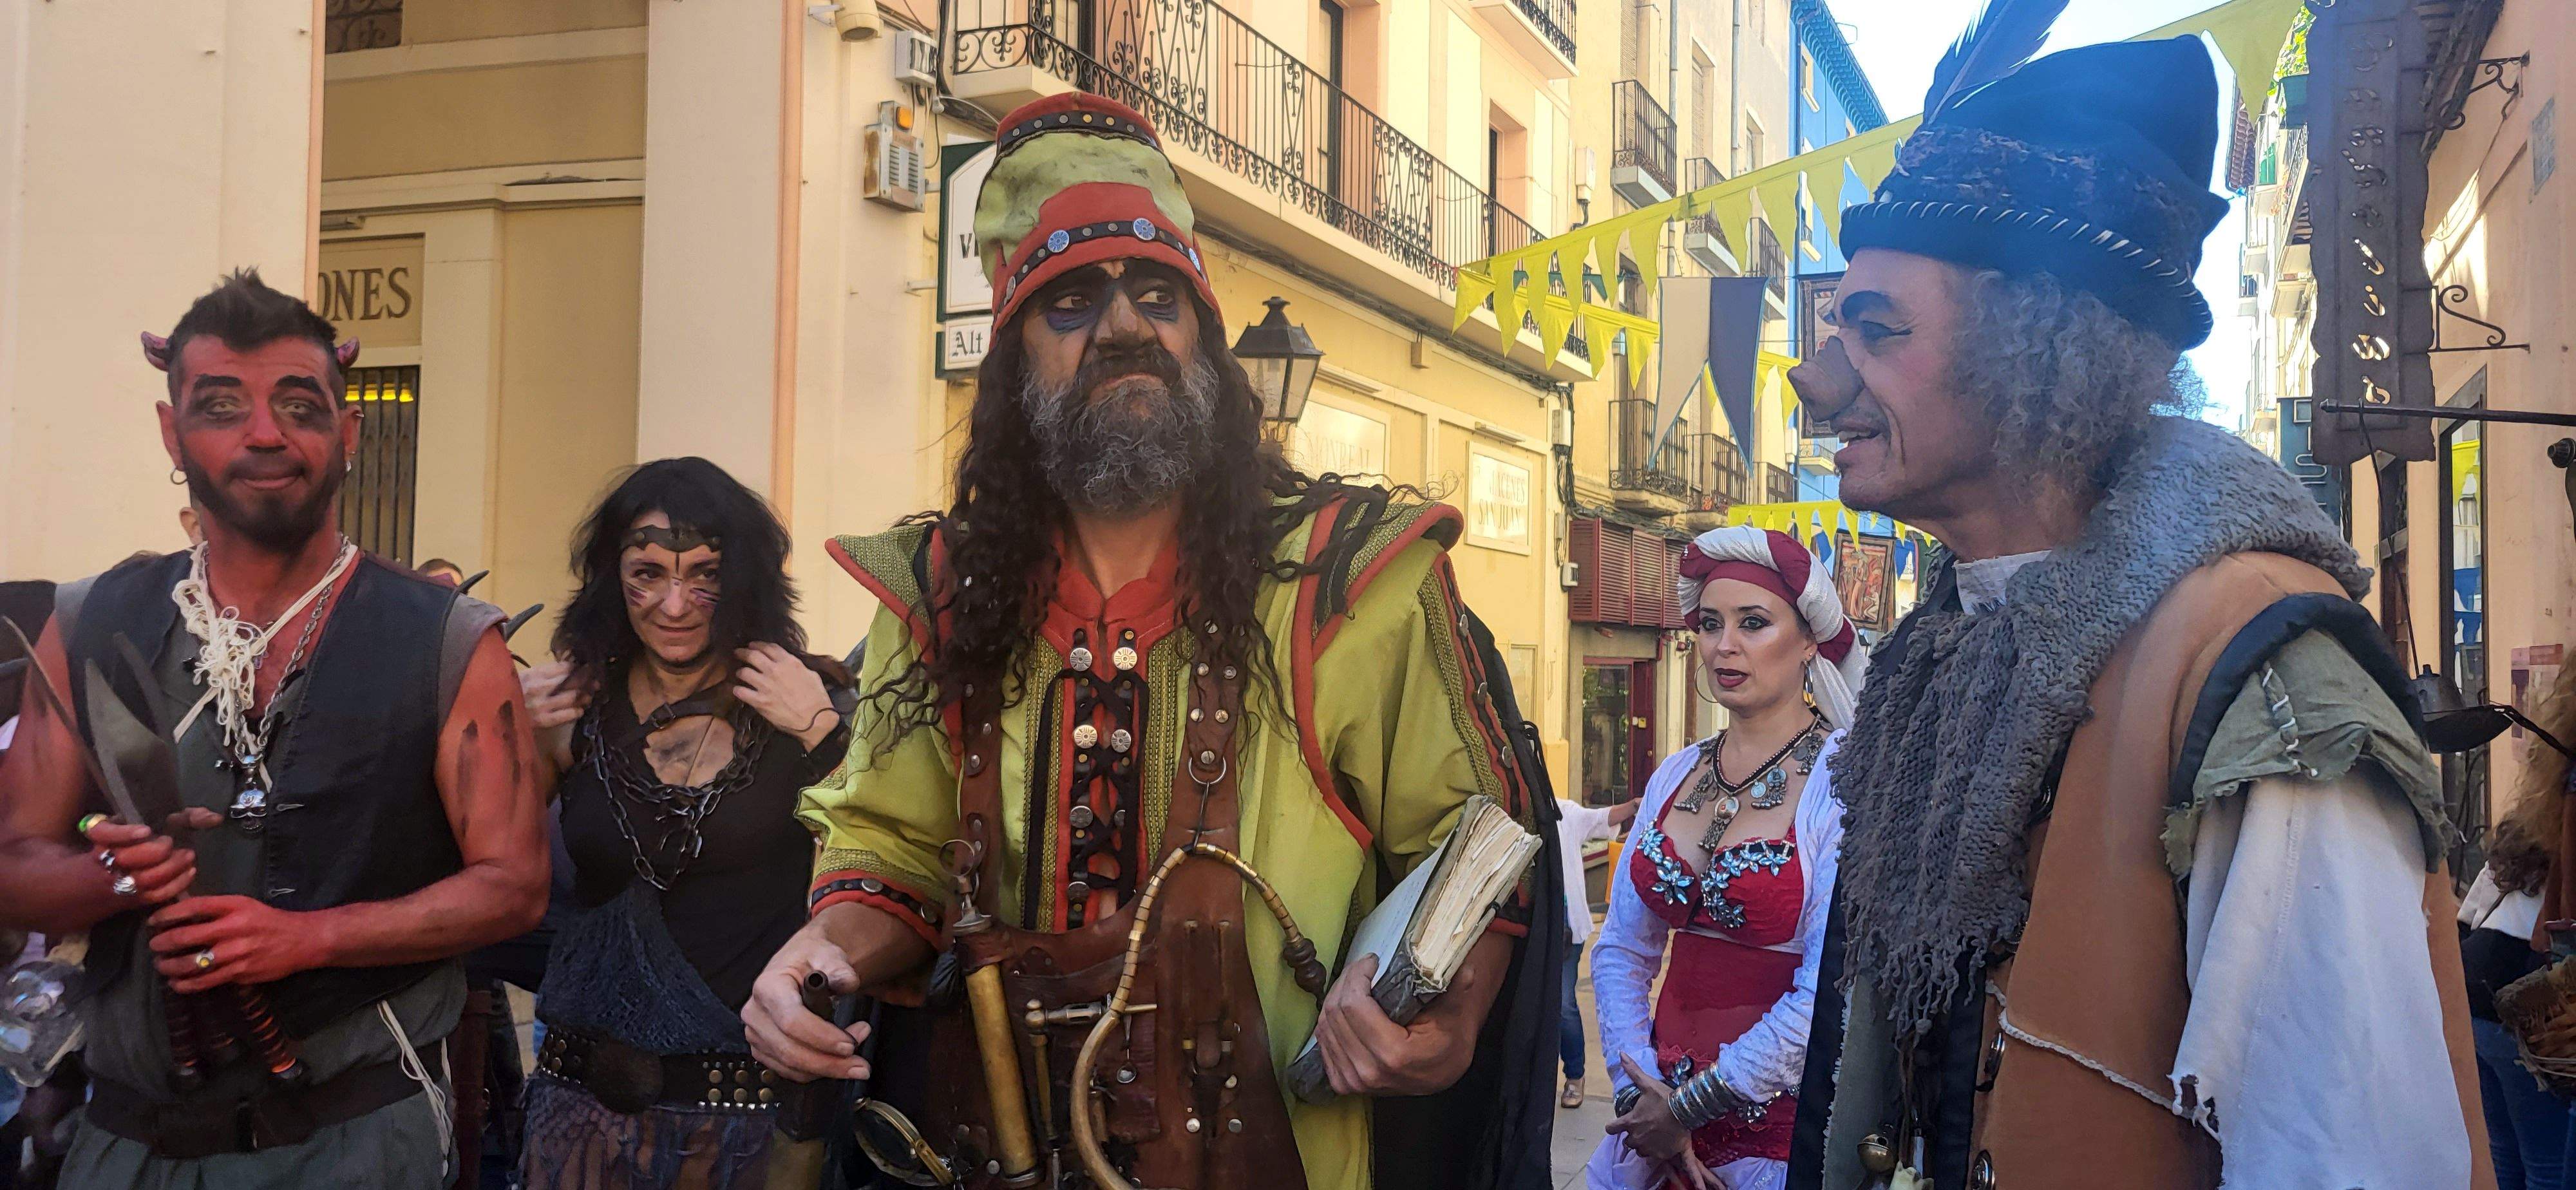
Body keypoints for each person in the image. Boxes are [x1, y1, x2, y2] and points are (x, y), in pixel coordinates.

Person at [741, 93, 1562, 1190]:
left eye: (1159, 293)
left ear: (1203, 340)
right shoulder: (938, 597)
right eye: (1071, 299)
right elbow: (893, 849)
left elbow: (1475, 846)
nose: (1126, 325)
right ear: (1011, 360)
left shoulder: (1350, 578)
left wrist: (1446, 1018)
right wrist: (827, 945)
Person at [1782, 33, 2490, 1190]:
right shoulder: (1939, 659)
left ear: (2030, 345)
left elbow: (2349, 1153)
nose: (1820, 379)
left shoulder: (2259, 672)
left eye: (1879, 326)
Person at [0, 269, 549, 1188]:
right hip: (130, 1146)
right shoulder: (92, 620)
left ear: (349, 432)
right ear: (173, 435)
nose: (265, 432)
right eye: (222, 406)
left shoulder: (447, 639)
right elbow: (13, 863)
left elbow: (514, 887)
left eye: (299, 404)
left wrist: (313, 939)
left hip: (356, 1141)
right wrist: (113, 875)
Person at [510, 458, 854, 1189]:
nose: (675, 604)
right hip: (582, 1115)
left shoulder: (801, 705)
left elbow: (880, 864)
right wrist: (510, 739)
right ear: (612, 576)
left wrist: (825, 732)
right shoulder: (577, 708)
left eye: (706, 573)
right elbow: (503, 874)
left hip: (754, 1120)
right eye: (647, 573)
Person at [1587, 528, 1862, 1190]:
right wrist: (1637, 1095)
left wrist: (1689, 1108)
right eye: (1710, 624)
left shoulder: (1847, 782)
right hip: (1648, 1130)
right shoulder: (1676, 773)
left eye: (1754, 623)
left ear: (1809, 644)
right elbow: (1622, 949)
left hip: (1773, 1134)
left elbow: (1829, 990)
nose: (1724, 645)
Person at [1556, 793, 1637, 1110]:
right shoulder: (1513, 817)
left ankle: (1575, 1076)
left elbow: (1602, 818)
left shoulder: (1565, 813)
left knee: (1562, 1004)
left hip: (1565, 928)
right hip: (1526, 928)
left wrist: (1634, 806)